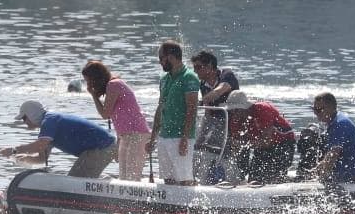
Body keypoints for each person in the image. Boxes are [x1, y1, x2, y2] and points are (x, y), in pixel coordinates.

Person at [1, 100, 117, 179]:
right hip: (102, 148)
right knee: (76, 179)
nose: (24, 122)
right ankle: (106, 182)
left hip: (102, 147)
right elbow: (42, 159)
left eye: (24, 118)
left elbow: (39, 146)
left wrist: (14, 150)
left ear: (32, 114)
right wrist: (25, 159)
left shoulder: (49, 121)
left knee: (75, 182)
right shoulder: (47, 129)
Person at [82, 60, 149, 181]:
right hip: (125, 136)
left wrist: (93, 95)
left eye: (88, 81)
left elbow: (105, 114)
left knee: (132, 177)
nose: (88, 85)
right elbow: (118, 117)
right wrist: (119, 140)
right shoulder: (111, 87)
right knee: (123, 177)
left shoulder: (114, 85)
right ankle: (126, 199)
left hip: (137, 134)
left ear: (96, 78)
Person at [147, 40, 199, 186]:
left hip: (180, 137)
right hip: (164, 137)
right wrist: (152, 138)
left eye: (160, 58)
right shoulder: (164, 79)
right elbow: (160, 109)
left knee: (184, 180)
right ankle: (171, 209)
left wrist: (185, 138)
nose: (160, 62)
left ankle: (189, 208)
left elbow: (192, 110)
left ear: (170, 57)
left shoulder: (189, 77)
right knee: (167, 180)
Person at [191, 50, 241, 184]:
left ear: (210, 66)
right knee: (199, 146)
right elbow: (208, 113)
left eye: (198, 67)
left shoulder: (226, 75)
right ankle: (201, 177)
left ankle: (234, 180)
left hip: (236, 122)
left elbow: (220, 90)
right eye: (194, 68)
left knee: (220, 148)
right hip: (217, 122)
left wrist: (200, 102)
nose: (196, 71)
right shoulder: (203, 84)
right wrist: (200, 137)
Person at [224, 91, 295, 183]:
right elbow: (236, 145)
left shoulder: (263, 109)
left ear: (245, 108)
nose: (234, 113)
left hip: (283, 144)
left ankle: (281, 180)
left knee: (274, 177)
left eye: (237, 110)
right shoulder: (235, 120)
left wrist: (245, 145)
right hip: (260, 146)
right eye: (231, 110)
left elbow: (266, 142)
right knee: (254, 179)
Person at [311, 92, 355, 183]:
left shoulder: (340, 124)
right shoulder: (333, 122)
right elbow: (329, 156)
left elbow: (333, 155)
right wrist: (318, 168)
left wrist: (319, 180)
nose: (316, 113)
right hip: (347, 172)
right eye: (314, 109)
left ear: (330, 108)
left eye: (319, 109)